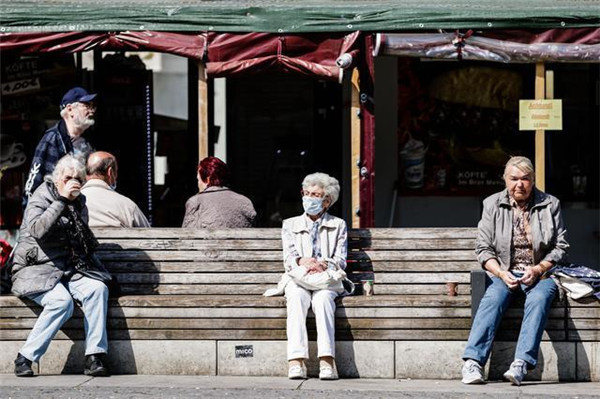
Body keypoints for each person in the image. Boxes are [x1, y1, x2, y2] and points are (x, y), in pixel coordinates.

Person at [461, 156, 569, 386]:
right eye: (514, 178)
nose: (519, 184)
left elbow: (561, 246)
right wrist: (501, 273)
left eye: (525, 178)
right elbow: (483, 249)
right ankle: (473, 362)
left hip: (541, 276)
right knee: (493, 297)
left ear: (532, 180)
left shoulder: (551, 204)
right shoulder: (491, 204)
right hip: (505, 273)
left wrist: (539, 268)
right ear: (505, 180)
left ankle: (520, 363)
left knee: (540, 298)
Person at [11, 155, 110, 377]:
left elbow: (81, 241)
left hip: (68, 269)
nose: (73, 182)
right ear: (57, 180)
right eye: (68, 178)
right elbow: (37, 230)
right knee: (61, 302)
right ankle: (25, 357)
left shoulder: (80, 202)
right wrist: (62, 200)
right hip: (36, 269)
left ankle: (95, 356)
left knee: (97, 289)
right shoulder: (41, 196)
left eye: (78, 178)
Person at [282, 173, 347, 380]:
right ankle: (296, 361)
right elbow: (289, 258)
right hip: (298, 278)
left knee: (323, 300)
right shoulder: (289, 224)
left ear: (326, 201)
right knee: (296, 297)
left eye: (315, 195)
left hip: (325, 279)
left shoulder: (339, 225)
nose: (309, 198)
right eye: (306, 193)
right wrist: (303, 261)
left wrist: (323, 263)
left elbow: (341, 259)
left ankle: (327, 361)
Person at [23, 87, 97, 207]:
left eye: (93, 106)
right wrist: (31, 215)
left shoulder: (89, 140)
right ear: (70, 109)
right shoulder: (52, 139)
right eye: (87, 106)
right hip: (55, 212)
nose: (92, 110)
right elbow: (33, 183)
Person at [182, 156, 256, 228]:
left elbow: (187, 236)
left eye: (198, 179)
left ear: (207, 179)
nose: (198, 184)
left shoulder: (196, 202)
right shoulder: (245, 201)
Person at [81, 151, 150, 228]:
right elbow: (149, 235)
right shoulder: (127, 206)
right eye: (116, 171)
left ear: (86, 174)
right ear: (110, 172)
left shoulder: (71, 202)